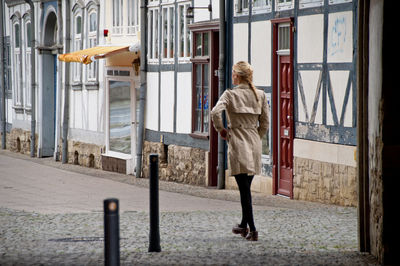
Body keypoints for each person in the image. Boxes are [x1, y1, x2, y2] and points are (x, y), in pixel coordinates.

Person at [210, 61, 269, 241]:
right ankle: (243, 225)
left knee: (244, 191)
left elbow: (214, 112)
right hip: (253, 142)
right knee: (246, 187)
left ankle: (253, 229)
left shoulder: (230, 94)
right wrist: (255, 137)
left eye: (234, 73)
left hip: (237, 141)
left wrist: (221, 130)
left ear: (238, 76)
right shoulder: (260, 95)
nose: (232, 76)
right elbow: (265, 123)